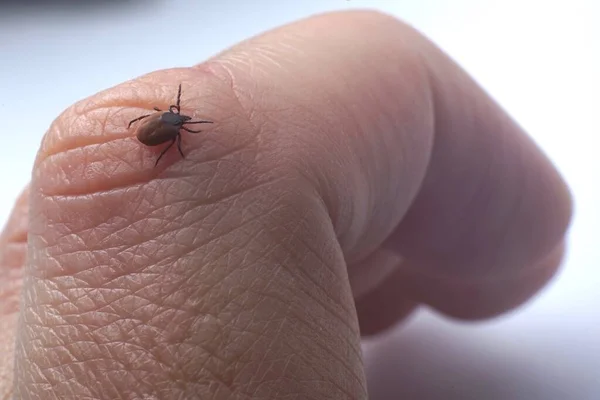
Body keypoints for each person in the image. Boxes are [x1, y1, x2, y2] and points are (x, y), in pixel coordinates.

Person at [0, 10, 572, 399]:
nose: (177, 123)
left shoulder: (167, 130)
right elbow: (158, 137)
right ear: (171, 123)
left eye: (175, 122)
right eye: (177, 121)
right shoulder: (169, 132)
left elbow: (153, 134)